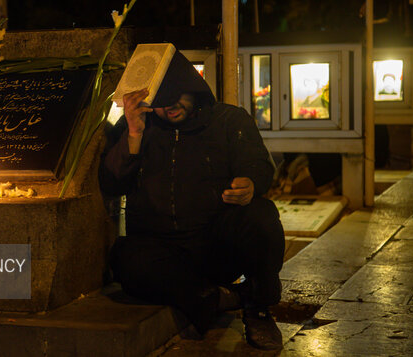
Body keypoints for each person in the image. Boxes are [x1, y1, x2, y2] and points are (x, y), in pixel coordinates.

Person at [99, 51, 285, 350]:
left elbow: (259, 166)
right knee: (126, 257)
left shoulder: (228, 119)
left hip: (215, 243)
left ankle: (259, 309)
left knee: (260, 215)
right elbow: (111, 182)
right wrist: (134, 133)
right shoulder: (138, 127)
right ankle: (223, 297)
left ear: (193, 88)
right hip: (162, 252)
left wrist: (250, 183)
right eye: (160, 102)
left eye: (177, 98)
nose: (169, 108)